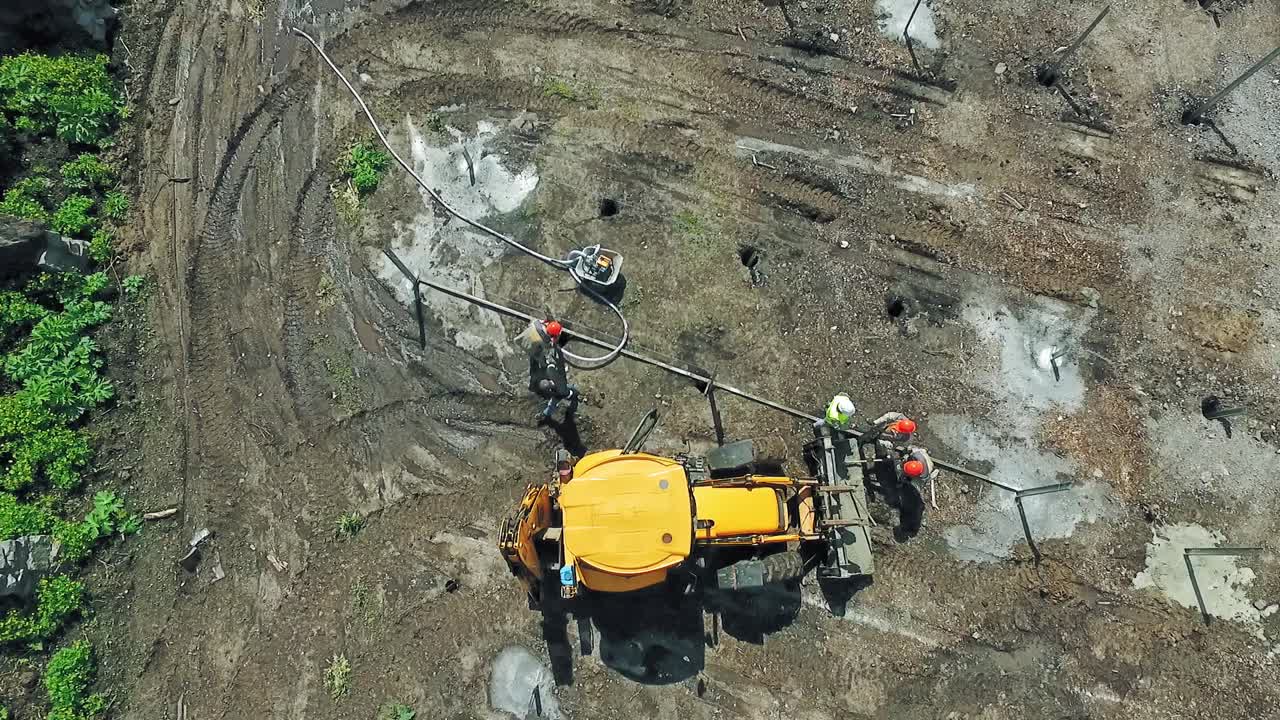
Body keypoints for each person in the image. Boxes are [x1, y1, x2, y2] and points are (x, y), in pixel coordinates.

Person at [528, 319, 579, 422]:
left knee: (553, 404)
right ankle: (574, 393)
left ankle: (545, 414)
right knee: (568, 392)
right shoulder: (553, 370)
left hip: (533, 347)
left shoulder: (536, 326)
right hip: (562, 389)